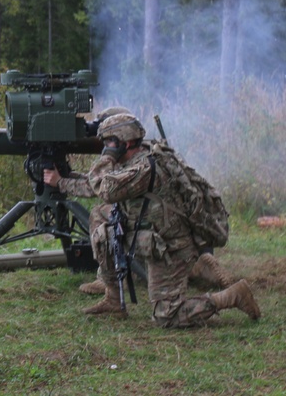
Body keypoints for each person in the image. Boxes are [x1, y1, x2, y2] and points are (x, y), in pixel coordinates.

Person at [78, 113, 260, 327]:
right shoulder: (134, 158)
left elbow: (106, 189)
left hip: (172, 247)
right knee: (103, 230)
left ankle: (232, 296)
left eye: (109, 142)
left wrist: (106, 159)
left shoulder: (143, 168)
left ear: (124, 143)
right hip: (151, 235)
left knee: (166, 315)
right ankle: (113, 300)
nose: (105, 147)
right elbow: (95, 186)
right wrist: (60, 181)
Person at [44, 106, 235, 295]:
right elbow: (99, 182)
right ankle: (201, 262)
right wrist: (67, 178)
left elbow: (103, 188)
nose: (103, 142)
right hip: (181, 228)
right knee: (111, 214)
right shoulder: (148, 150)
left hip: (165, 233)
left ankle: (109, 280)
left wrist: (61, 183)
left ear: (122, 137)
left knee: (101, 215)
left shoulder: (137, 165)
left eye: (109, 138)